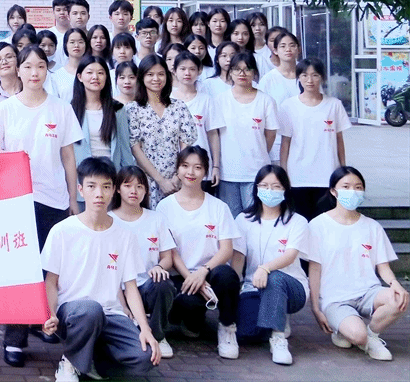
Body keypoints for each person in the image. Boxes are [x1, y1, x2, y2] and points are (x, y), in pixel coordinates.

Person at [0, 45, 82, 365]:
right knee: (20, 268)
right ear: (18, 70)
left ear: (46, 70)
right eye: (27, 66)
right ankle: (14, 340)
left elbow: (68, 157)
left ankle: (44, 321)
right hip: (16, 200)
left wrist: (73, 200)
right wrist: (14, 159)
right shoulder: (4, 110)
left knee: (49, 267)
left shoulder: (61, 109)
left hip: (54, 200)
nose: (34, 72)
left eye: (40, 66)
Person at [41, 157, 161, 379]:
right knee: (90, 310)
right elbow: (51, 281)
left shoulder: (125, 236)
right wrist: (50, 314)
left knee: (145, 357)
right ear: (80, 189)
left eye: (106, 187)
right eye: (92, 186)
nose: (99, 193)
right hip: (75, 314)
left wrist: (145, 329)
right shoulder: (62, 231)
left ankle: (94, 359)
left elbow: (131, 287)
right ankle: (69, 363)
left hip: (112, 314)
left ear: (114, 190)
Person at [307, 166, 407, 360]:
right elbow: (315, 269)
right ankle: (350, 332)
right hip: (335, 298)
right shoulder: (318, 225)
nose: (352, 191)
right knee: (357, 335)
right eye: (346, 186)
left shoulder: (372, 226)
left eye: (358, 187)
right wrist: (316, 308)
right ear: (333, 191)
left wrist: (395, 284)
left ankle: (372, 336)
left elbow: (383, 267)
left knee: (400, 298)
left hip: (368, 292)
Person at [155, 146, 242, 359]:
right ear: (177, 170)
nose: (190, 172)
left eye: (197, 167)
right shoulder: (165, 207)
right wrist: (192, 278)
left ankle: (227, 328)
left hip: (210, 274)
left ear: (205, 171)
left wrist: (203, 272)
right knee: (186, 303)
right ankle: (191, 321)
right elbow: (170, 251)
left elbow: (227, 249)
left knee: (228, 276)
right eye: (185, 166)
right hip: (180, 276)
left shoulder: (218, 207)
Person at [231, 165, 309, 365]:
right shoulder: (243, 219)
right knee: (246, 332)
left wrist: (265, 268)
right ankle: (276, 316)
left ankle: (278, 337)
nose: (270, 191)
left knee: (274, 278)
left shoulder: (297, 221)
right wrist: (234, 287)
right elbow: (238, 257)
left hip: (292, 288)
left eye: (276, 186)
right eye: (264, 186)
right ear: (256, 188)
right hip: (253, 287)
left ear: (285, 189)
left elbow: (290, 256)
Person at [110, 165, 177, 360]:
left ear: (146, 191)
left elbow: (167, 257)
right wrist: (122, 303)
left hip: (147, 285)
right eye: (128, 185)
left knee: (163, 284)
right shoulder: (109, 220)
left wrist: (159, 267)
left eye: (139, 186)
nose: (134, 191)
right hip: (118, 289)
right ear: (117, 189)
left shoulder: (156, 219)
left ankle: (158, 335)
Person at [277, 59, 350, 219]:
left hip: (327, 176)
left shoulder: (334, 105)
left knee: (325, 222)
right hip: (298, 177)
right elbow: (285, 143)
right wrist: (284, 172)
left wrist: (343, 170)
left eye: (315, 75)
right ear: (298, 77)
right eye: (304, 75)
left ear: (322, 77)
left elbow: (339, 140)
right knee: (300, 222)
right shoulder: (288, 106)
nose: (309, 80)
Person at [211, 52, 278, 216]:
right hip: (228, 173)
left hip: (256, 172)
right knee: (231, 220)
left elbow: (270, 135)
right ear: (230, 72)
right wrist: (216, 166)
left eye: (247, 69)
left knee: (255, 219)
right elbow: (215, 136)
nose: (242, 73)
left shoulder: (266, 101)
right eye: (237, 69)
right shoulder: (220, 100)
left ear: (254, 72)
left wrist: (258, 151)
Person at [127, 55, 197, 207]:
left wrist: (177, 177)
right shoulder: (133, 109)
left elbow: (186, 145)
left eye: (160, 74)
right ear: (142, 77)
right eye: (150, 74)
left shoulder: (179, 107)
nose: (156, 79)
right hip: (146, 181)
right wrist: (160, 181)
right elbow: (135, 148)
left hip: (177, 180)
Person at [70, 56, 135, 170]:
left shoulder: (117, 109)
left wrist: (130, 174)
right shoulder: (70, 110)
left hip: (111, 173)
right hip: (83, 174)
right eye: (89, 72)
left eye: (100, 73)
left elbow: (124, 148)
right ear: (80, 77)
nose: (95, 77)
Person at [171, 52, 220, 189]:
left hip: (200, 167)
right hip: (172, 169)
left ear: (199, 71)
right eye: (182, 69)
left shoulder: (206, 100)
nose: (187, 73)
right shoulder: (167, 100)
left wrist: (216, 166)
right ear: (174, 71)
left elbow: (213, 135)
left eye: (192, 69)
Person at [258, 31, 301, 160]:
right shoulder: (268, 80)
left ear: (298, 49)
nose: (288, 49)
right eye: (283, 46)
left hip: (304, 141)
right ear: (275, 50)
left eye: (292, 45)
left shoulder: (307, 76)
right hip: (277, 143)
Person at [49, 28, 90, 100]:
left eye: (80, 42)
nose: (76, 45)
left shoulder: (92, 72)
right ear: (66, 45)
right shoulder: (56, 76)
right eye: (72, 42)